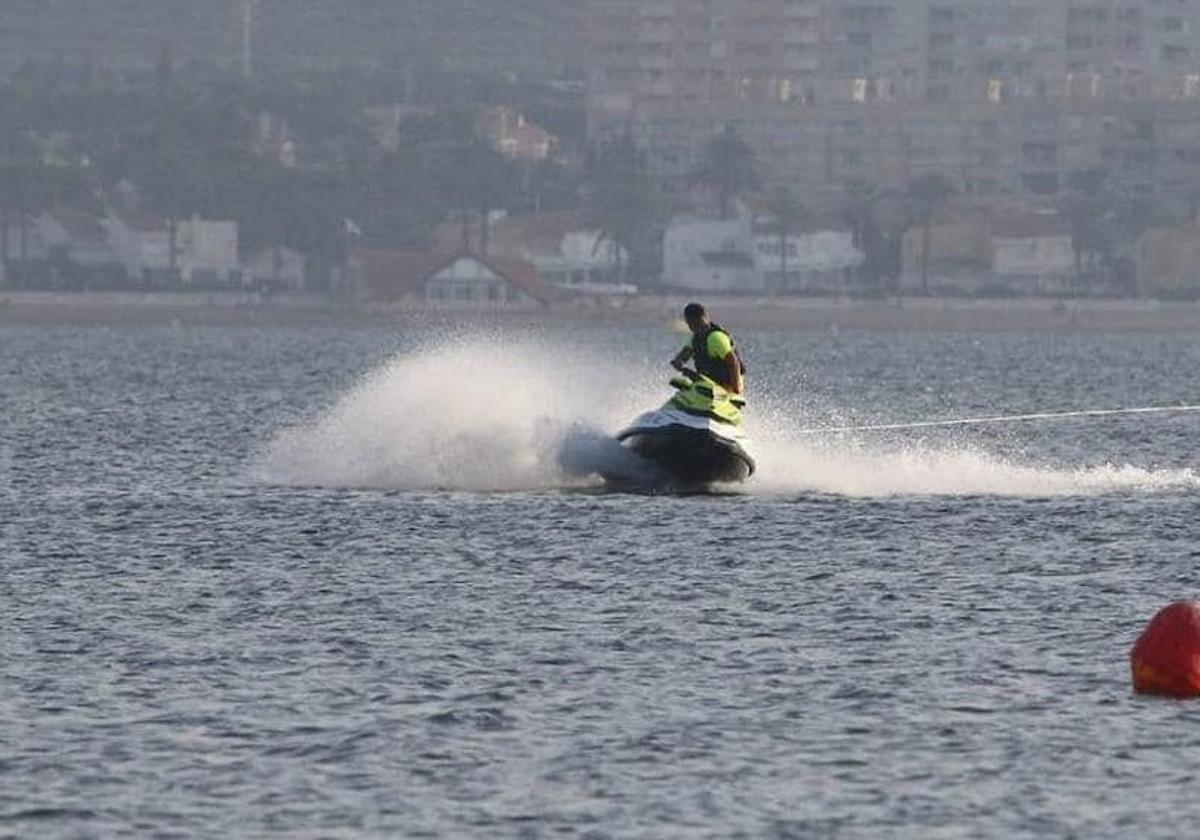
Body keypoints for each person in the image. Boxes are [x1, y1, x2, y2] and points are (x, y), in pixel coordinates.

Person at [670, 302, 745, 395]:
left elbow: (734, 363)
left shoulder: (715, 338)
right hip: (709, 383)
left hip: (730, 384)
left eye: (698, 323)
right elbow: (682, 358)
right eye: (691, 323)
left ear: (705, 319)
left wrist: (736, 391)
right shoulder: (694, 339)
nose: (695, 327)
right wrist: (679, 364)